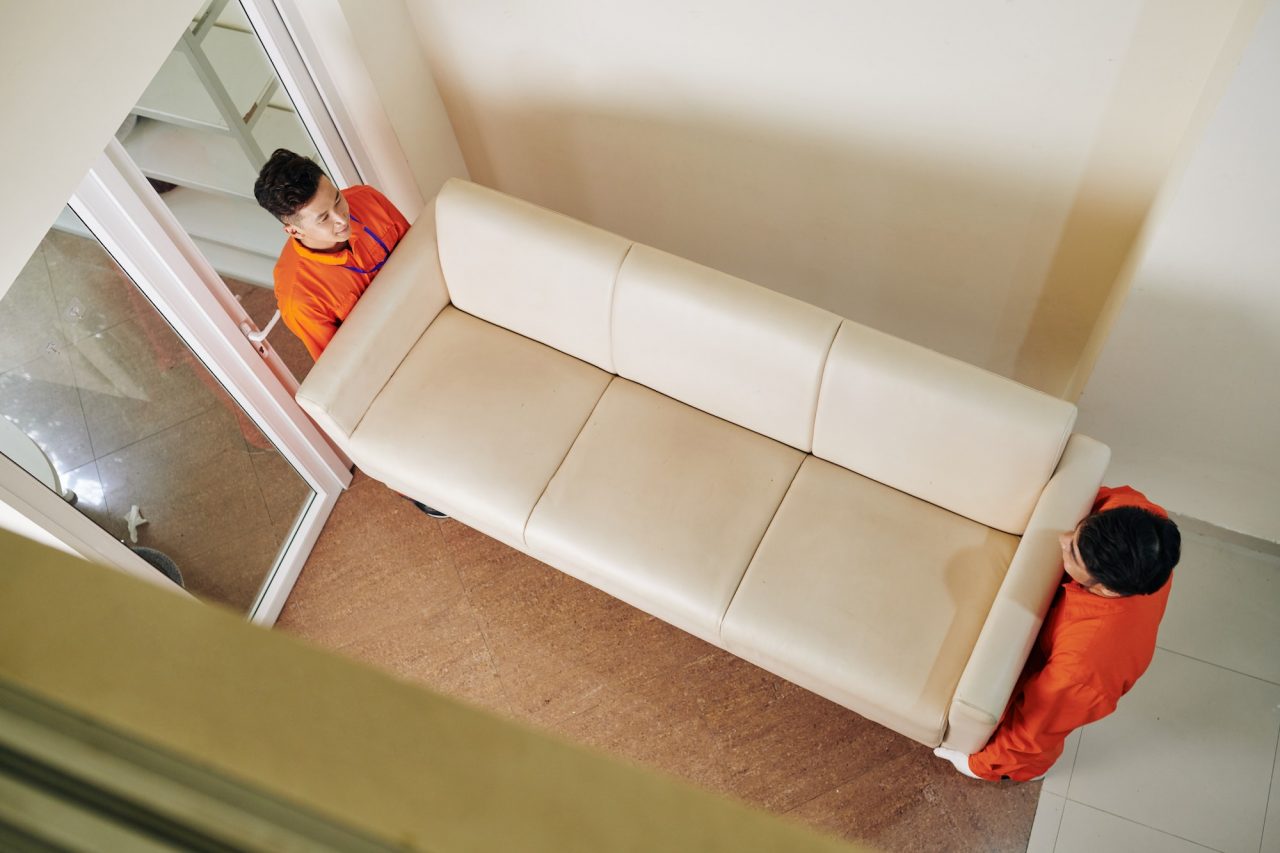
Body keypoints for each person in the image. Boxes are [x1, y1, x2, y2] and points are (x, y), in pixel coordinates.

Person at [934, 485, 1181, 782]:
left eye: (1073, 552)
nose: (1063, 540)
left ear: (1105, 588)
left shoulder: (1086, 666)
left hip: (1063, 680)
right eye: (1077, 532)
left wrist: (978, 765)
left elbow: (1034, 731)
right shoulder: (1137, 519)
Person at [253, 149, 446, 520]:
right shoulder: (299, 297)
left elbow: (419, 254)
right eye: (323, 218)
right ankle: (415, 488)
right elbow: (344, 370)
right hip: (383, 365)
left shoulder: (367, 199)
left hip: (428, 316)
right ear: (293, 230)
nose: (342, 219)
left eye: (337, 201)